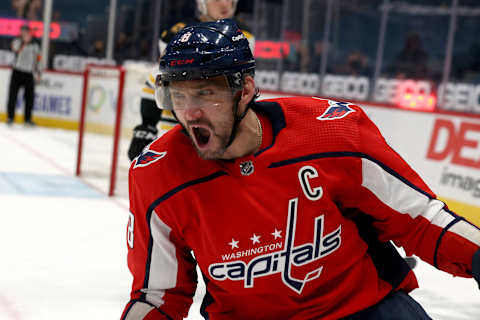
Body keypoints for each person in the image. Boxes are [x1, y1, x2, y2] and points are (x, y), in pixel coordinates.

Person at [121, 20, 480, 320]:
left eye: (204, 93)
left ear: (244, 90)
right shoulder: (156, 175)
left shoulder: (332, 132)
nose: (189, 112)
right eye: (178, 97)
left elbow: (417, 219)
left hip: (365, 310)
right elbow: (158, 296)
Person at [127, 0, 255, 161]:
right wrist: (147, 125)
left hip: (223, 135)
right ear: (201, 3)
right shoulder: (176, 33)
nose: (225, 4)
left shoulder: (242, 36)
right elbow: (158, 77)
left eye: (230, 0)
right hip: (177, 132)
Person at [6, 24, 41, 126]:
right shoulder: (17, 41)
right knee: (13, 95)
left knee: (29, 97)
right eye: (22, 31)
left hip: (29, 73)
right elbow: (14, 49)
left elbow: (38, 59)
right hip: (17, 72)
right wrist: (23, 42)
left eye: (25, 31)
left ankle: (27, 119)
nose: (23, 33)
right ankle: (10, 117)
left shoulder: (35, 45)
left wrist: (38, 72)